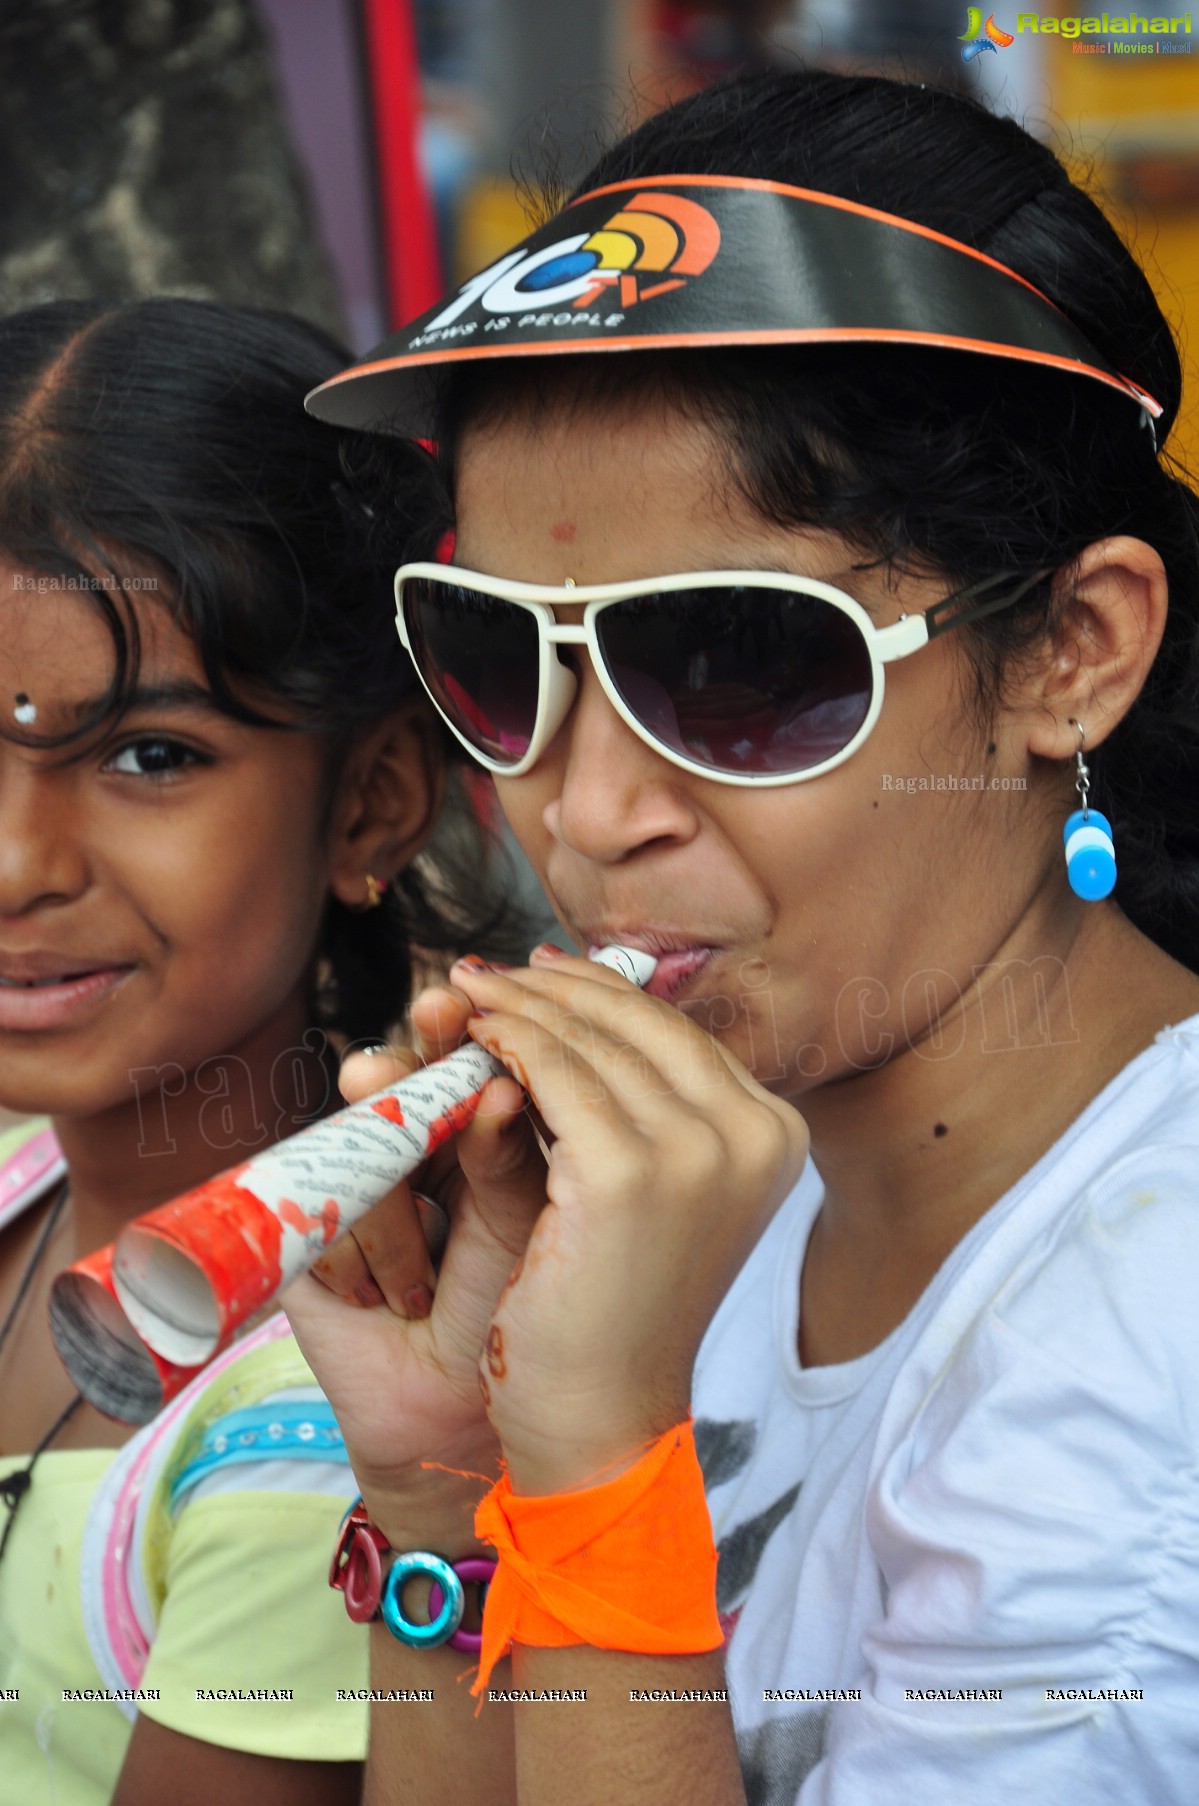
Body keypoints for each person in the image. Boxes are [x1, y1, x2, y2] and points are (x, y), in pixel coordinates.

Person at [289, 70, 1199, 1806]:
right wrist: (441, 1478)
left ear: (1074, 648)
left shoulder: (1156, 1346)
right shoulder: (717, 1202)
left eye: (733, 660)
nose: (586, 805)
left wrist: (596, 1469)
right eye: (501, 657)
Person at [0, 297, 517, 1805]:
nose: (21, 861)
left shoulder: (316, 1432)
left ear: (369, 804)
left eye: (149, 755)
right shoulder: (24, 1174)